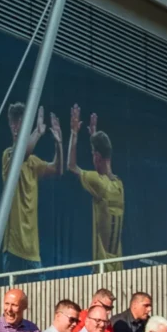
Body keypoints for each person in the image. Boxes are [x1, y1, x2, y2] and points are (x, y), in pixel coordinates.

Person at [0, 104, 62, 272]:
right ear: (14, 127)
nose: (27, 130)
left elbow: (57, 169)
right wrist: (38, 132)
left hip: (32, 252)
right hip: (13, 250)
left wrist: (59, 143)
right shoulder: (8, 155)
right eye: (24, 124)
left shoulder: (33, 162)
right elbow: (21, 154)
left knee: (40, 289)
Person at [67, 105, 124, 272]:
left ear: (97, 156)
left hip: (103, 271)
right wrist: (94, 135)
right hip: (118, 268)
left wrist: (74, 132)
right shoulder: (119, 185)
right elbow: (103, 161)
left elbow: (71, 166)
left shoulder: (99, 183)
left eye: (93, 153)